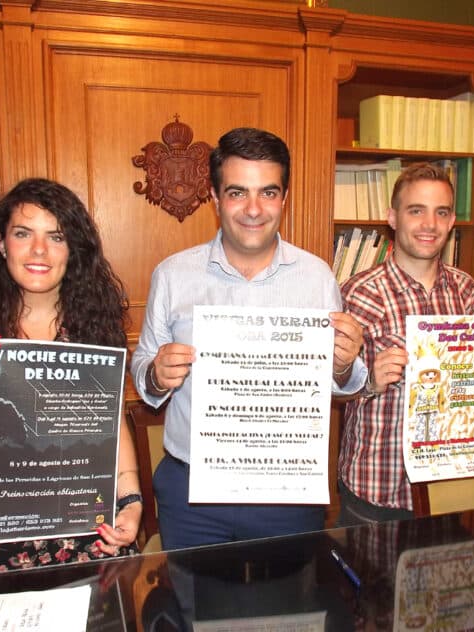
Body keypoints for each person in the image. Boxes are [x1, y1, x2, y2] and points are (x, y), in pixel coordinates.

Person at [131, 127, 367, 550]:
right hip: (191, 494)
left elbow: (344, 382)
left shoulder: (317, 278)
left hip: (288, 491)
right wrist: (155, 374)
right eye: (238, 192)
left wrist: (345, 363)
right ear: (216, 197)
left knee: (287, 611)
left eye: (268, 193)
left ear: (284, 198)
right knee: (195, 610)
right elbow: (143, 367)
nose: (254, 209)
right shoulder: (172, 274)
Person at [0, 177, 142, 573]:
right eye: (24, 233)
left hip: (91, 534)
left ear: (72, 250)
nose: (39, 250)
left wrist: (131, 500)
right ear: (2, 244)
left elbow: (111, 424)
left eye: (56, 237)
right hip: (3, 540)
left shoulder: (95, 327)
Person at [337, 162, 474, 526]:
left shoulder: (467, 290)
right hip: (377, 491)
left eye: (441, 212)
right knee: (365, 584)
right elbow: (329, 391)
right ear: (393, 218)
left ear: (450, 222)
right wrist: (370, 383)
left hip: (449, 486)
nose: (429, 224)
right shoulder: (359, 294)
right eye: (416, 211)